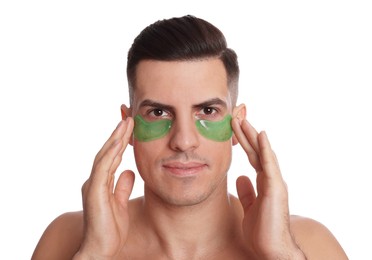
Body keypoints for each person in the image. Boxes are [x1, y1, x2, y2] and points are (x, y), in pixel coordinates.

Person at [32, 15, 348, 259]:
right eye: (158, 113)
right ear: (128, 126)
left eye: (207, 111)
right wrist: (94, 254)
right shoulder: (67, 239)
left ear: (237, 124)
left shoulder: (309, 245)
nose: (184, 141)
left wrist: (281, 253)